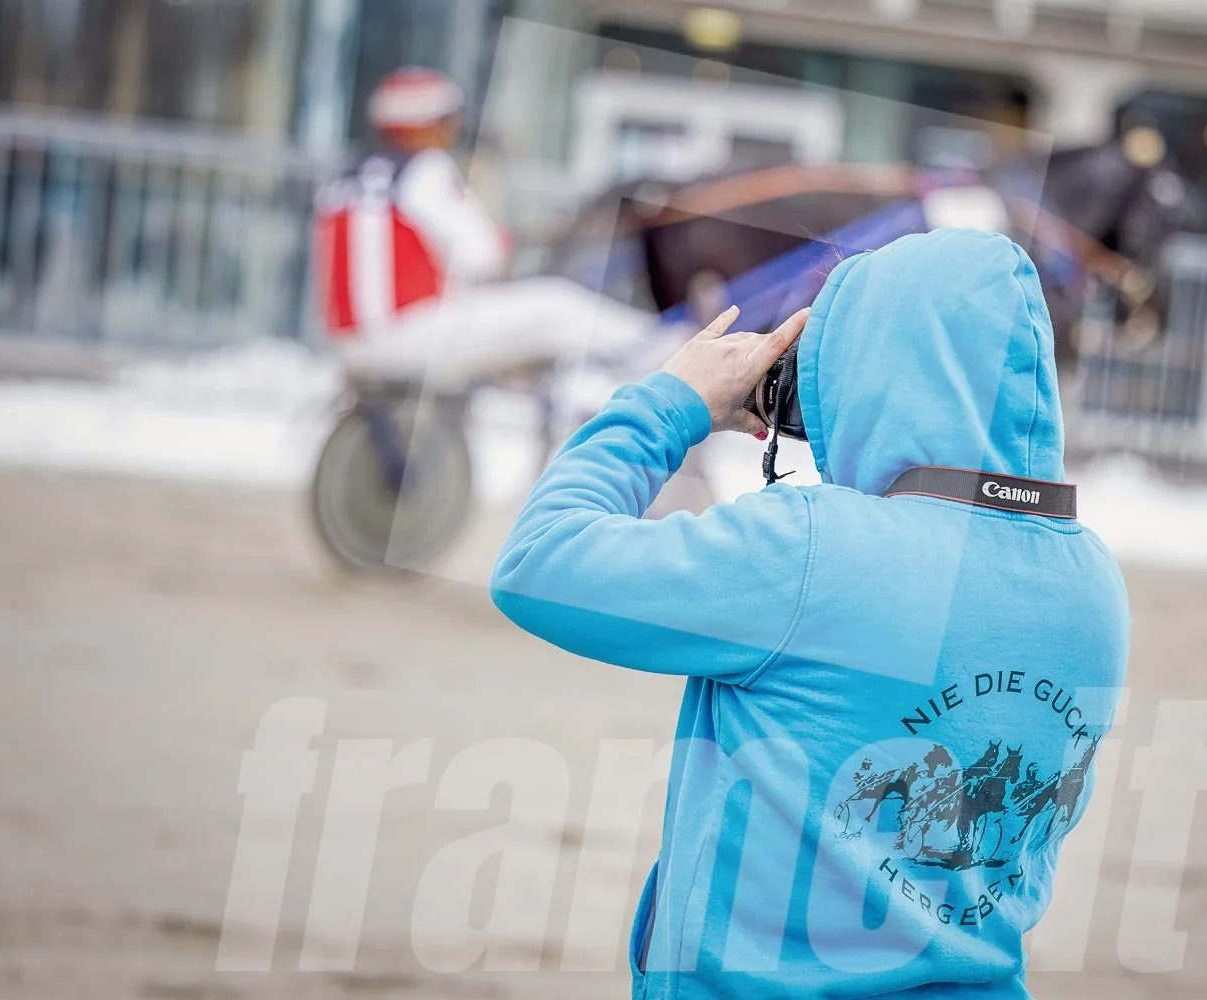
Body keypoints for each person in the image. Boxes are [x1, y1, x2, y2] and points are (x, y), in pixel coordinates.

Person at [491, 228, 1130, 998]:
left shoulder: (814, 548)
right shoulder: (1091, 583)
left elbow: (539, 562)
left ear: (869, 377)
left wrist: (672, 402)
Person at [314, 67, 660, 386]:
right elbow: (483, 257)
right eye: (447, 120)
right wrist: (508, 240)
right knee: (555, 305)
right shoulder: (427, 169)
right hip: (409, 338)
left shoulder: (345, 176)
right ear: (427, 123)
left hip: (347, 342)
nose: (453, 130)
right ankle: (664, 351)